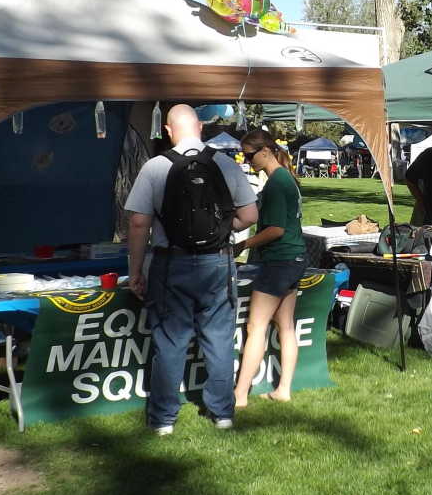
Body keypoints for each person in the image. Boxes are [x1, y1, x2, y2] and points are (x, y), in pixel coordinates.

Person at [125, 105, 257, 434]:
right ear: (200, 126)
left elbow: (139, 223)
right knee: (219, 339)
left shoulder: (155, 167)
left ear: (168, 131)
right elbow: (250, 215)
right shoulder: (225, 163)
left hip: (171, 263)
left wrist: (136, 270)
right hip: (218, 263)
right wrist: (223, 228)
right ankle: (222, 413)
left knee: (170, 342)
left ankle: (163, 420)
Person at [232, 129, 306, 408]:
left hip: (280, 261)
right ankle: (283, 389)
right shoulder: (286, 178)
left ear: (265, 151)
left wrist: (244, 244)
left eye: (250, 155)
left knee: (256, 326)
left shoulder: (276, 183)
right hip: (295, 258)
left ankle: (240, 394)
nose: (247, 160)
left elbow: (276, 229)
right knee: (285, 325)